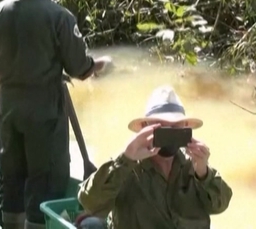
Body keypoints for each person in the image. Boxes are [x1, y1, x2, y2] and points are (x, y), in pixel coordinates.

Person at [0, 0, 113, 229]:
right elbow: (80, 68)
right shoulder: (59, 16)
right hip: (45, 114)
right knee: (45, 181)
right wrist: (99, 65)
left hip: (7, 110)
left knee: (11, 177)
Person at [76, 85, 233, 229]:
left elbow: (220, 205)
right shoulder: (126, 168)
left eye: (175, 127)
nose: (168, 134)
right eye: (161, 127)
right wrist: (126, 157)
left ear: (185, 128)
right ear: (145, 128)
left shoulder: (195, 165)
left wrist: (204, 173)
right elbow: (89, 202)